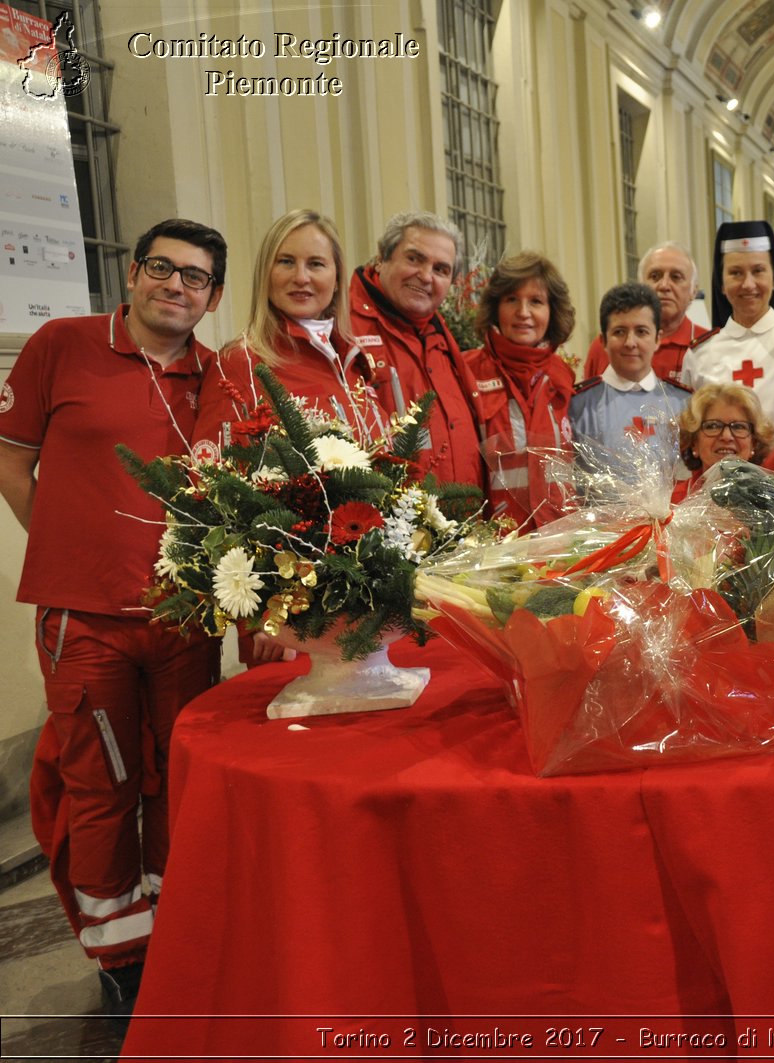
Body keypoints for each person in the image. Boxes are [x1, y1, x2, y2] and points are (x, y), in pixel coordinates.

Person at [0, 219, 228, 1020]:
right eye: (162, 268)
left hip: (184, 615)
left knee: (178, 781)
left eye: (194, 277)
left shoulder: (219, 375)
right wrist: (69, 543)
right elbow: (12, 457)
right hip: (85, 618)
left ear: (214, 296)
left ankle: (175, 928)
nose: (175, 285)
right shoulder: (60, 345)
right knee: (101, 785)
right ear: (132, 274)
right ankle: (120, 953)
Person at [193, 209, 387, 450]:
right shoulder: (238, 364)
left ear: (337, 279)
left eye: (316, 264)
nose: (301, 277)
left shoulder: (352, 360)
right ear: (266, 274)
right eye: (286, 262)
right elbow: (212, 478)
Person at [681, 221, 774, 477]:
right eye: (736, 273)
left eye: (758, 271)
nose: (748, 284)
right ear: (721, 283)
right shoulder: (701, 352)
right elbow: (690, 433)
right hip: (723, 487)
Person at [349, 210, 484, 489]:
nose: (425, 276)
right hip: (392, 524)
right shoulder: (345, 329)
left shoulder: (441, 339)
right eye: (414, 259)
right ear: (382, 258)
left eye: (440, 270)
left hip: (459, 521)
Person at [460, 251, 577, 528]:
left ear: (552, 310)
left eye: (536, 301)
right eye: (512, 299)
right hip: (495, 542)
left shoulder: (562, 376)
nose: (523, 313)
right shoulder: (468, 372)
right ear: (495, 307)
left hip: (558, 540)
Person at [673, 382, 774, 539]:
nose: (726, 436)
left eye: (738, 427)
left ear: (754, 442)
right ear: (694, 441)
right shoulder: (671, 500)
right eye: (713, 426)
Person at [568, 282, 692, 465]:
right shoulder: (578, 405)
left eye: (641, 332)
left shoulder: (683, 403)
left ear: (658, 339)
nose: (630, 343)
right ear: (603, 341)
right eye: (619, 332)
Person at [580, 242, 711, 384]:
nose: (664, 285)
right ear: (640, 284)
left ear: (694, 291)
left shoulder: (707, 348)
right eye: (655, 276)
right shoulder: (609, 345)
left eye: (676, 277)